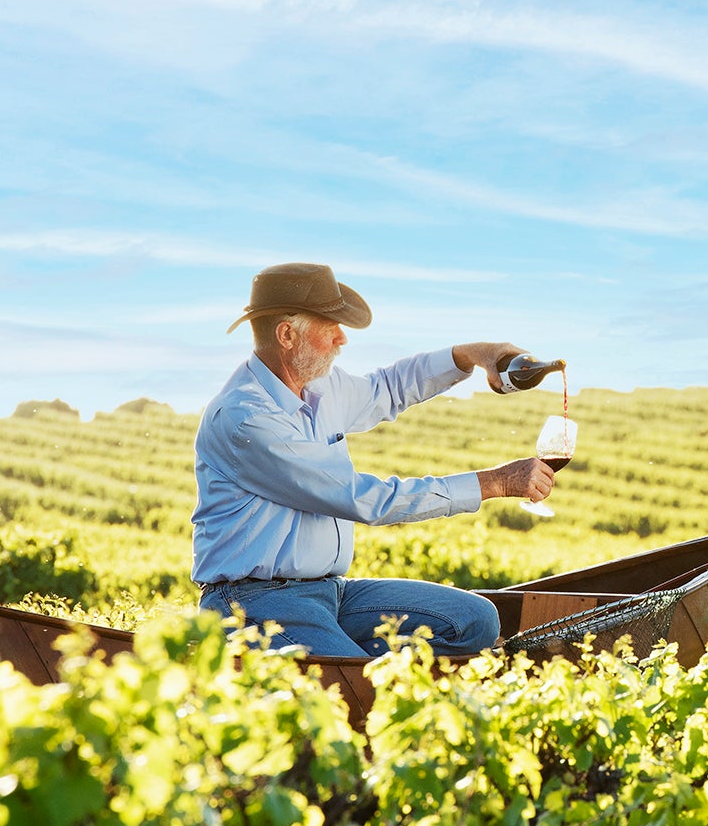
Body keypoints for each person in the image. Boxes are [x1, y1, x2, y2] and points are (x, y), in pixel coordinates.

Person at [191, 261, 557, 657]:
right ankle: (354, 677)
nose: (341, 339)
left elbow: (386, 388)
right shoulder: (247, 418)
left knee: (475, 620)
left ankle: (361, 669)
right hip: (253, 604)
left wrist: (469, 355)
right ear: (286, 335)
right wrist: (494, 483)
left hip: (331, 591)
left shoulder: (319, 387)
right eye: (329, 326)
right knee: (350, 684)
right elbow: (363, 499)